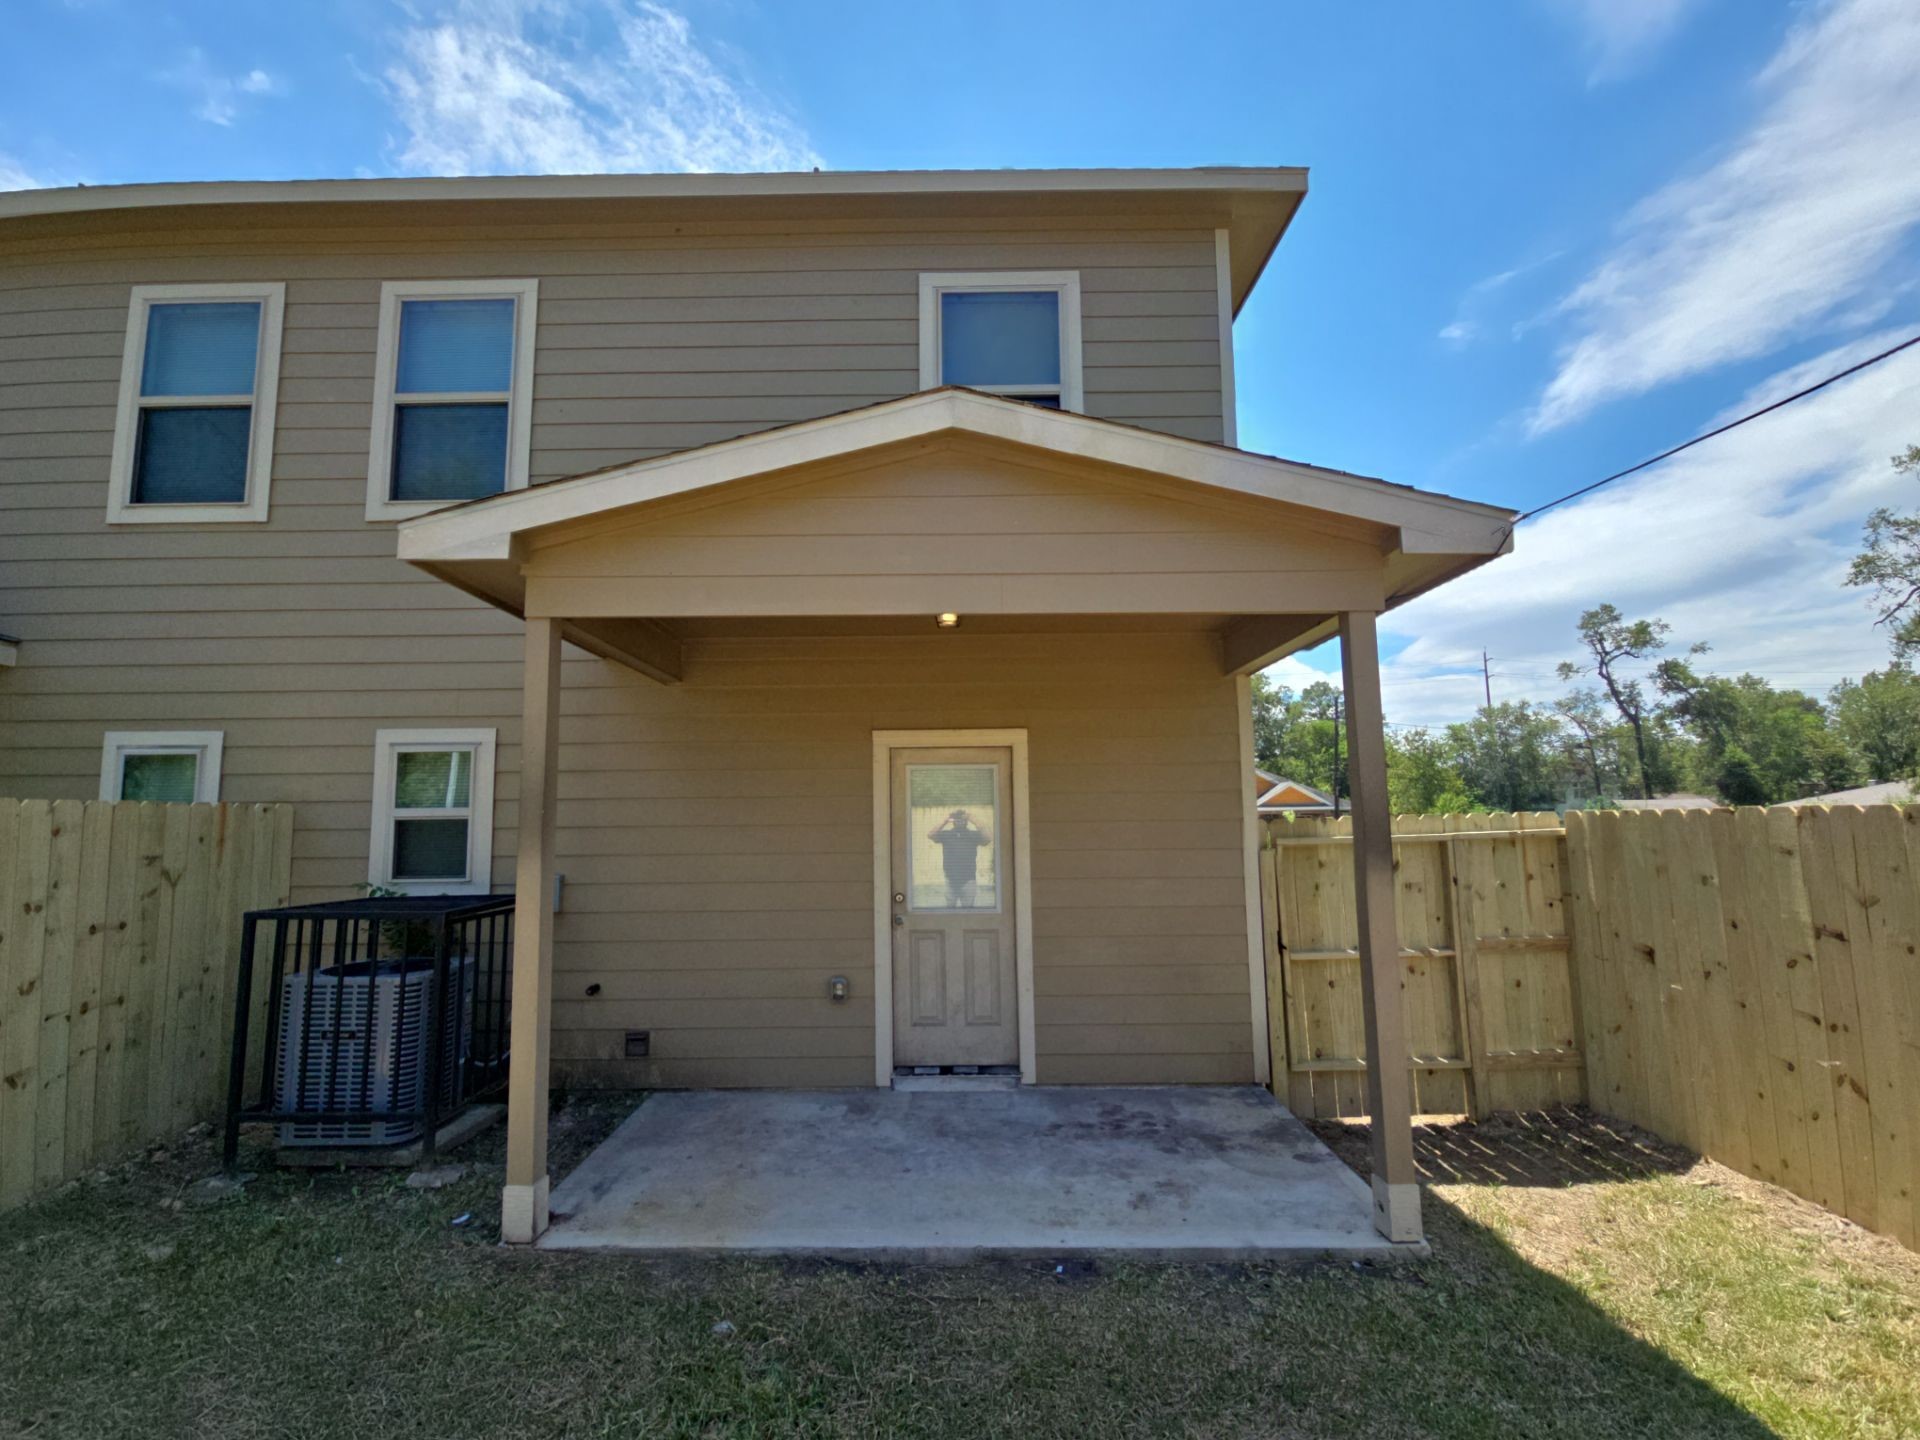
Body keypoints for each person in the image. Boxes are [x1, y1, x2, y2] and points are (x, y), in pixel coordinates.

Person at [928, 808, 991, 907]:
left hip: (968, 881)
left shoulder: (973, 835)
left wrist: (972, 818)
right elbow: (931, 834)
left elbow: (988, 838)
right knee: (950, 912)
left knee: (968, 912)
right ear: (953, 821)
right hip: (950, 880)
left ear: (966, 821)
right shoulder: (947, 835)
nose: (960, 820)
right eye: (957, 818)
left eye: (962, 818)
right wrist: (945, 820)